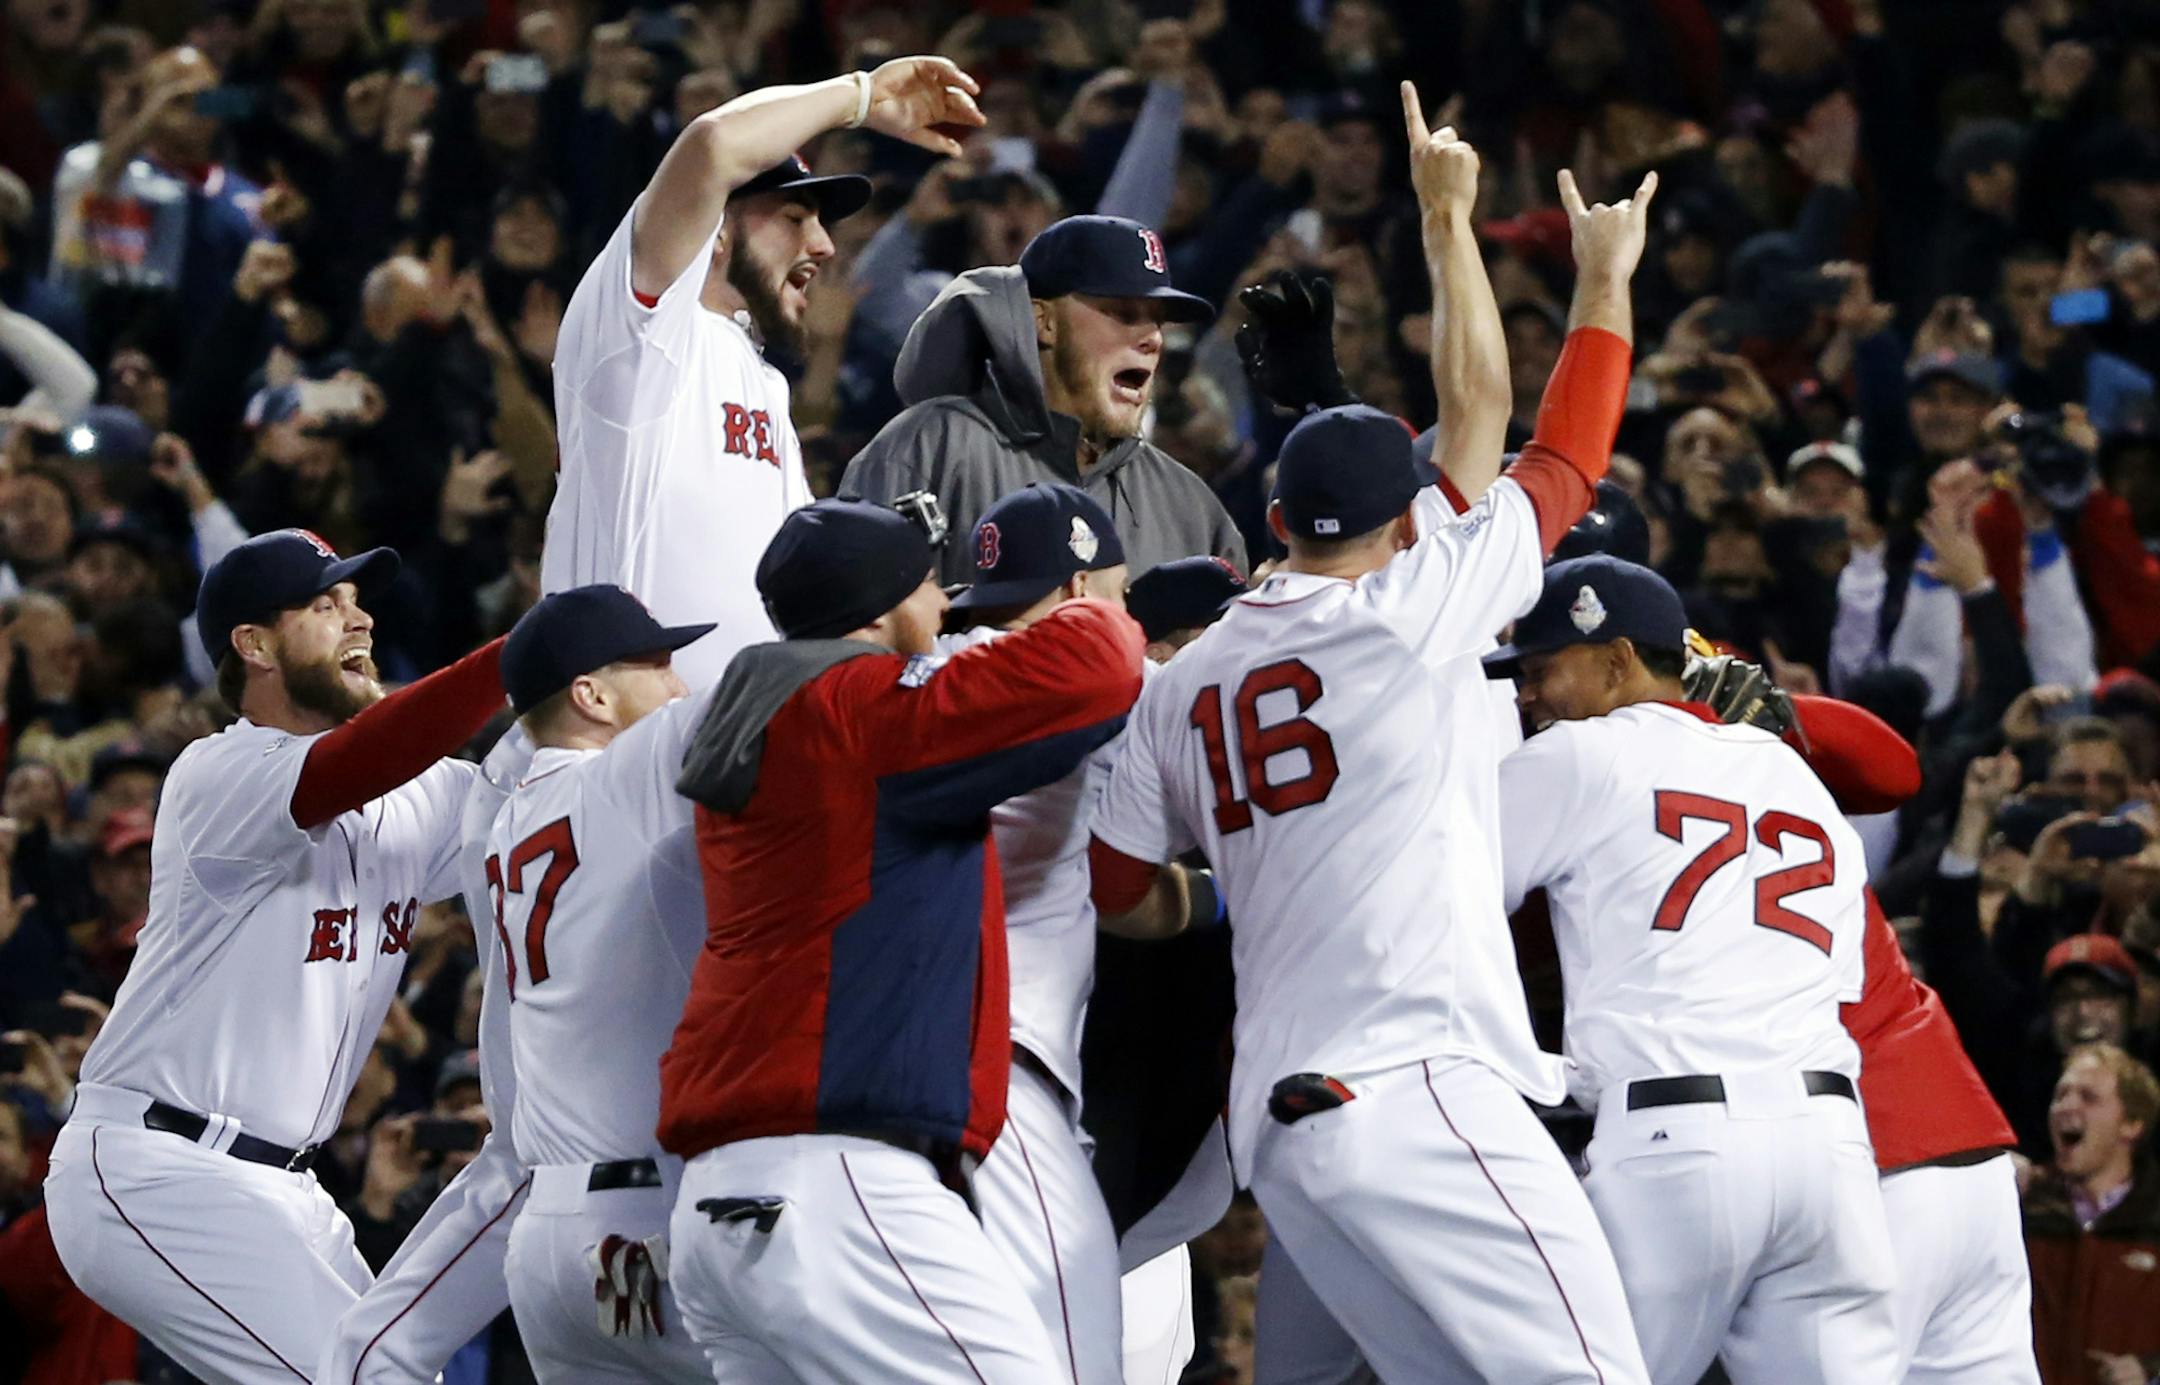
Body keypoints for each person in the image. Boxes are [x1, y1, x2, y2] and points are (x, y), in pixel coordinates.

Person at [1086, 146, 1657, 1380]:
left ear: (1277, 521)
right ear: (1409, 519)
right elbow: (1539, 443)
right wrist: (1569, 267)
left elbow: (1116, 886)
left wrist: (1228, 892)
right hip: (1419, 1081)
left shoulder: (1176, 686)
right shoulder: (1412, 613)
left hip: (1282, 1130)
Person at [659, 498, 1146, 1381]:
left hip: (719, 1209)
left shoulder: (760, 705)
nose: (945, 601)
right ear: (878, 610)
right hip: (835, 1183)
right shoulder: (853, 707)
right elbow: (1100, 665)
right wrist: (1086, 594)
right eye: (928, 582)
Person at [39, 530, 508, 1383]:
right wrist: (517, 655)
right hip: (160, 1163)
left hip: (288, 1185)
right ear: (252, 645)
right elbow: (360, 761)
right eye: (326, 604)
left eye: (357, 599)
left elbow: (538, 797)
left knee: (403, 1374)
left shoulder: (422, 789)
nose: (358, 616)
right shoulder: (218, 771)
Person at [1488, 556, 1896, 1384]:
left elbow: (1437, 898)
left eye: (1541, 670)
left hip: (1678, 1140)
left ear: (1620, 659)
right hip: (1831, 1150)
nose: (1526, 696)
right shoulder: (1793, 775)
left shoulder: (1581, 754)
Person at [544, 56, 984, 686]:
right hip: (619, 746)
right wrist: (858, 94)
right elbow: (713, 143)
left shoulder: (761, 377)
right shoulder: (640, 333)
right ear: (716, 232)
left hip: (729, 748)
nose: (824, 245)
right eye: (793, 217)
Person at [940, 483, 1217, 1385]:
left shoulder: (915, 676)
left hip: (868, 1083)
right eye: (1118, 592)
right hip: (1006, 1073)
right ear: (1077, 596)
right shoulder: (1099, 679)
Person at [481, 584, 716, 1382]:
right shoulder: (624, 776)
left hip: (544, 1233)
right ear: (593, 693)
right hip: (641, 1221)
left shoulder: (512, 812)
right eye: (658, 665)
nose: (678, 684)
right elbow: (784, 684)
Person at [838, 211, 1246, 586]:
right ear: (1043, 321)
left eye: (1157, 319)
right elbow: (860, 636)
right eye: (1123, 313)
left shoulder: (1192, 507)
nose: (1153, 338)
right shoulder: (933, 447)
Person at [2022, 1044, 2160, 1384]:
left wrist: (2152, 1369)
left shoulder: (2155, 1215)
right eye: (2061, 1095)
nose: (2066, 1107)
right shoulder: (2024, 1207)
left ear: (2131, 1124)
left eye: (2088, 1097)